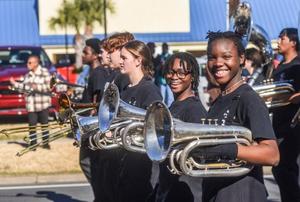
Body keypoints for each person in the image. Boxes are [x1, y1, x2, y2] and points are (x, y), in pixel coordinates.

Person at [198, 31, 279, 202]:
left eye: (226, 57)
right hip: (216, 192)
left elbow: (272, 155)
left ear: (241, 58)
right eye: (212, 57)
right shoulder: (218, 101)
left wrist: (229, 149)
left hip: (242, 193)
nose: (218, 63)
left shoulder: (249, 99)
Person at [152, 52, 207, 202]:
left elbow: (197, 156)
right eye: (170, 72)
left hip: (186, 190)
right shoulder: (173, 107)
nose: (174, 77)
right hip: (169, 187)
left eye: (181, 73)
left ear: (193, 77)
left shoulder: (194, 110)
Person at [116, 40, 162, 202]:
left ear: (138, 60)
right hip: (126, 164)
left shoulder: (149, 91)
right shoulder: (124, 90)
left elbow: (155, 130)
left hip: (143, 168)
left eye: (124, 57)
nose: (120, 61)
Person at [271, 28, 300, 202]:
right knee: (283, 169)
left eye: (282, 39)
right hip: (278, 123)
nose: (278, 42)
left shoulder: (298, 65)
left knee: (283, 167)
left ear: (293, 42)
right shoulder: (279, 67)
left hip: (294, 124)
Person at [10, 55, 52, 149]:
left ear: (36, 63)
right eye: (27, 62)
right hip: (31, 105)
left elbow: (49, 87)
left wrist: (36, 87)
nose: (27, 64)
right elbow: (24, 88)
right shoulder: (28, 75)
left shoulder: (44, 72)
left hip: (43, 104)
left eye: (29, 62)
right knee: (32, 125)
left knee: (44, 124)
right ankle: (33, 144)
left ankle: (46, 143)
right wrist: (15, 84)